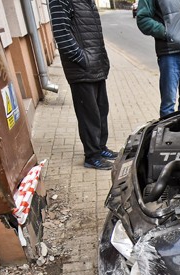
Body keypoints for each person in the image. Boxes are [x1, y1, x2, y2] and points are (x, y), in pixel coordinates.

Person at [48, 0, 117, 170]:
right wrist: (82, 59)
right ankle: (92, 156)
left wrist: (100, 60)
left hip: (96, 65)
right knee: (89, 115)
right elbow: (61, 33)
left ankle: (100, 148)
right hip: (82, 69)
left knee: (101, 110)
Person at [136, 0, 180, 117]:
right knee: (168, 103)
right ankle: (168, 134)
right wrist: (166, 33)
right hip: (170, 52)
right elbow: (143, 19)